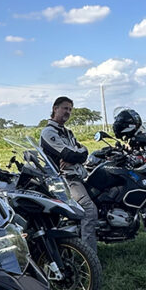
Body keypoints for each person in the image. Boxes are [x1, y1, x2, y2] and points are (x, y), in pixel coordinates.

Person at [40, 96, 98, 250]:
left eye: (70, 109)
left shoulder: (68, 133)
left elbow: (83, 151)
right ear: (55, 108)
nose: (68, 112)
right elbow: (70, 154)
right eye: (65, 108)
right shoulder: (48, 132)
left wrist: (76, 156)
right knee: (89, 210)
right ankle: (89, 254)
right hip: (64, 180)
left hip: (77, 175)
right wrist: (75, 156)